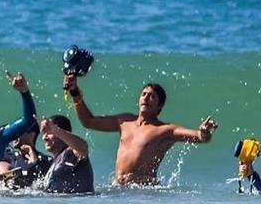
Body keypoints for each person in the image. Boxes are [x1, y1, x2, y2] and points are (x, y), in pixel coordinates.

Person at [64, 75, 218, 185]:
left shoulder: (165, 130)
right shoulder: (124, 121)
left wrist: (204, 131)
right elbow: (89, 121)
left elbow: (198, 137)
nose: (146, 98)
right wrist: (75, 93)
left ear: (159, 106)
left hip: (144, 195)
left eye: (152, 97)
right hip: (119, 190)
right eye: (144, 94)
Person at [36, 115, 94, 194]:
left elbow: (83, 148)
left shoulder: (71, 154)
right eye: (43, 133)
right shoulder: (54, 162)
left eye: (49, 133)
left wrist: (56, 131)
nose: (44, 138)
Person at [6, 121, 53, 188]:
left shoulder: (46, 162)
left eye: (18, 130)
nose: (13, 133)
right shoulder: (7, 158)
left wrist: (34, 164)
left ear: (32, 134)